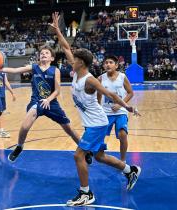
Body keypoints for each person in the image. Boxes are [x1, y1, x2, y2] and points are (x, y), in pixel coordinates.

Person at [50, 12, 141, 206]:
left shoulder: (89, 79)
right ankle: (130, 170)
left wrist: (128, 107)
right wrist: (58, 30)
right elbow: (66, 46)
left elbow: (112, 95)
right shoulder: (76, 71)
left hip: (97, 124)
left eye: (73, 59)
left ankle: (86, 193)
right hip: (92, 122)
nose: (69, 60)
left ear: (81, 62)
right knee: (99, 157)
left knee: (78, 155)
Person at [0, 45, 92, 164]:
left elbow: (57, 91)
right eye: (42, 53)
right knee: (24, 126)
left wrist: (48, 100)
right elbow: (15, 70)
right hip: (37, 102)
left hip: (52, 103)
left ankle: (86, 151)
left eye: (47, 53)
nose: (43, 54)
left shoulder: (55, 70)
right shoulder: (34, 67)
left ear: (52, 58)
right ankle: (19, 146)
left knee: (69, 129)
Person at [97, 55, 134, 162]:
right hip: (106, 112)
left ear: (116, 65)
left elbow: (131, 93)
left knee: (123, 134)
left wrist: (120, 105)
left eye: (111, 62)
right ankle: (99, 154)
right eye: (106, 63)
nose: (108, 64)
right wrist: (99, 108)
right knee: (100, 136)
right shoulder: (100, 78)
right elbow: (98, 95)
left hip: (120, 111)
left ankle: (123, 161)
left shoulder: (122, 77)